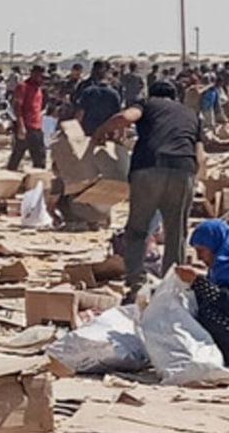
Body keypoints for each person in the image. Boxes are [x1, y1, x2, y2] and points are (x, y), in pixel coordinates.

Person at [95, 82, 204, 294]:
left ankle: (136, 282)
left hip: (148, 167)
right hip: (184, 169)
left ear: (151, 94)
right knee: (176, 233)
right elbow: (200, 155)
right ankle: (174, 285)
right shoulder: (191, 114)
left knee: (138, 229)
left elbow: (125, 118)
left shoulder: (147, 104)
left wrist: (100, 132)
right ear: (175, 97)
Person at [182, 220, 229, 355]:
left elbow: (224, 302)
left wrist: (197, 281)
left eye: (201, 251)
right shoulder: (218, 268)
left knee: (209, 314)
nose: (199, 257)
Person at [7, 64, 47, 170]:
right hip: (25, 126)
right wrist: (21, 126)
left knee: (40, 156)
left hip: (36, 126)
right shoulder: (23, 86)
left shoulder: (39, 89)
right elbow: (17, 107)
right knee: (17, 154)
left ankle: (38, 179)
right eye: (41, 77)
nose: (42, 80)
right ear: (34, 74)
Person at [75, 61, 124, 136]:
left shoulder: (86, 89)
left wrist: (76, 129)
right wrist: (121, 132)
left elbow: (80, 112)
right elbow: (118, 115)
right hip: (107, 130)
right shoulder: (114, 92)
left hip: (88, 129)